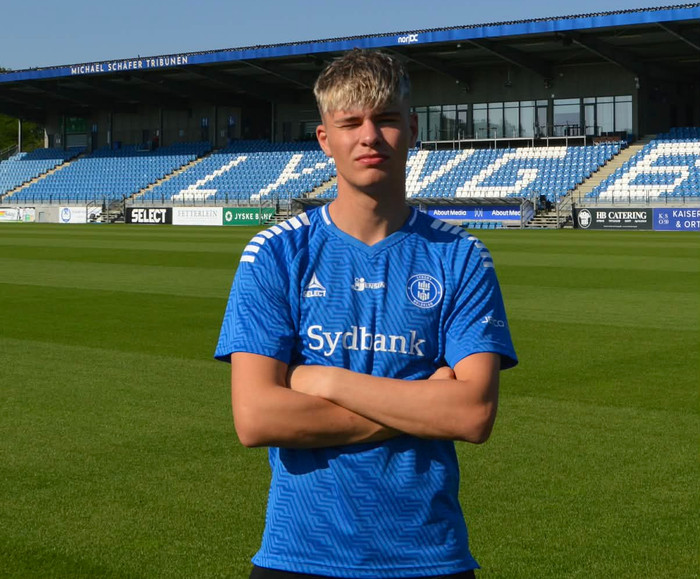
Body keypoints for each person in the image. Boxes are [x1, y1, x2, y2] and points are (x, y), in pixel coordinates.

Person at [215, 49, 518, 579]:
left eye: (386, 119)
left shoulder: (461, 256)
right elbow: (257, 418)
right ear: (324, 138)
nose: (370, 136)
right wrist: (422, 405)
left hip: (429, 558)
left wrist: (322, 380)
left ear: (413, 129)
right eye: (350, 123)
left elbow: (471, 416)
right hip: (298, 556)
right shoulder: (275, 253)